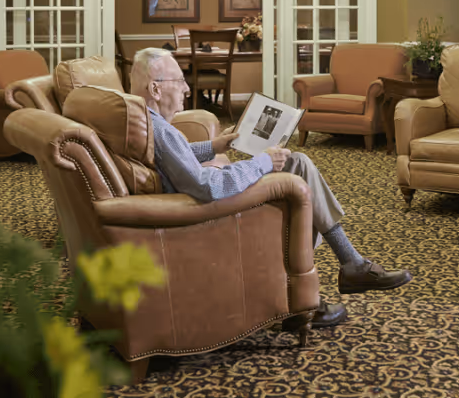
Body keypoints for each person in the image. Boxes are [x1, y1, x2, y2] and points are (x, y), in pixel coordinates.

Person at [130, 48, 412, 329]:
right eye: (179, 81)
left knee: (297, 162)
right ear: (155, 89)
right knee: (296, 173)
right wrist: (263, 162)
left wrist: (214, 147)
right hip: (212, 211)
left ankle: (347, 266)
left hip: (198, 203)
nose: (187, 88)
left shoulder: (144, 122)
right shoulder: (162, 130)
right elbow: (209, 187)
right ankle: (307, 296)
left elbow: (175, 159)